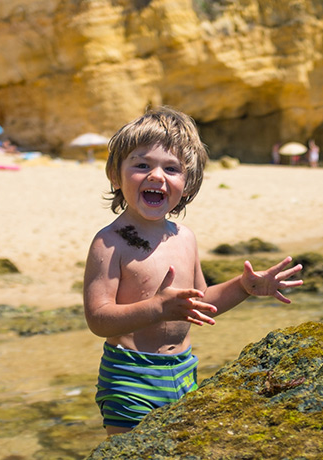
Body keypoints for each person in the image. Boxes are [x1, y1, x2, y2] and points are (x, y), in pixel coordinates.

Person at [83, 106, 304, 435]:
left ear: (188, 184)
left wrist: (243, 287)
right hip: (130, 377)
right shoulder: (110, 243)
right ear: (116, 175)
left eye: (171, 168)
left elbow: (201, 301)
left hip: (184, 370)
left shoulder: (185, 238)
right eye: (142, 164)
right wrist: (158, 307)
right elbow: (98, 319)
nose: (156, 176)